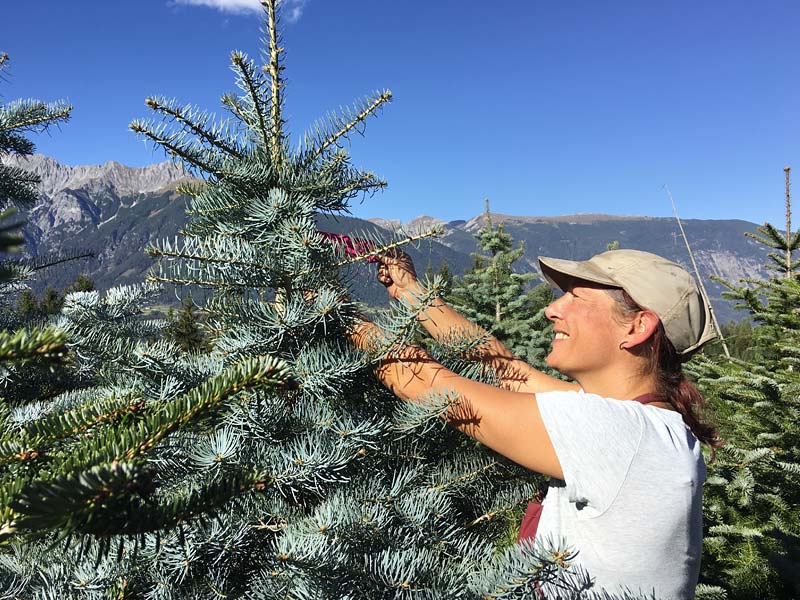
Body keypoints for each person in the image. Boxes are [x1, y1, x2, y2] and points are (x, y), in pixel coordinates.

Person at [351, 248, 720, 599]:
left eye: (576, 297)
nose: (552, 309)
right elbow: (506, 370)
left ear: (637, 327)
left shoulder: (621, 433)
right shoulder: (648, 424)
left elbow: (436, 389)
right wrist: (409, 290)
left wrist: (332, 309)